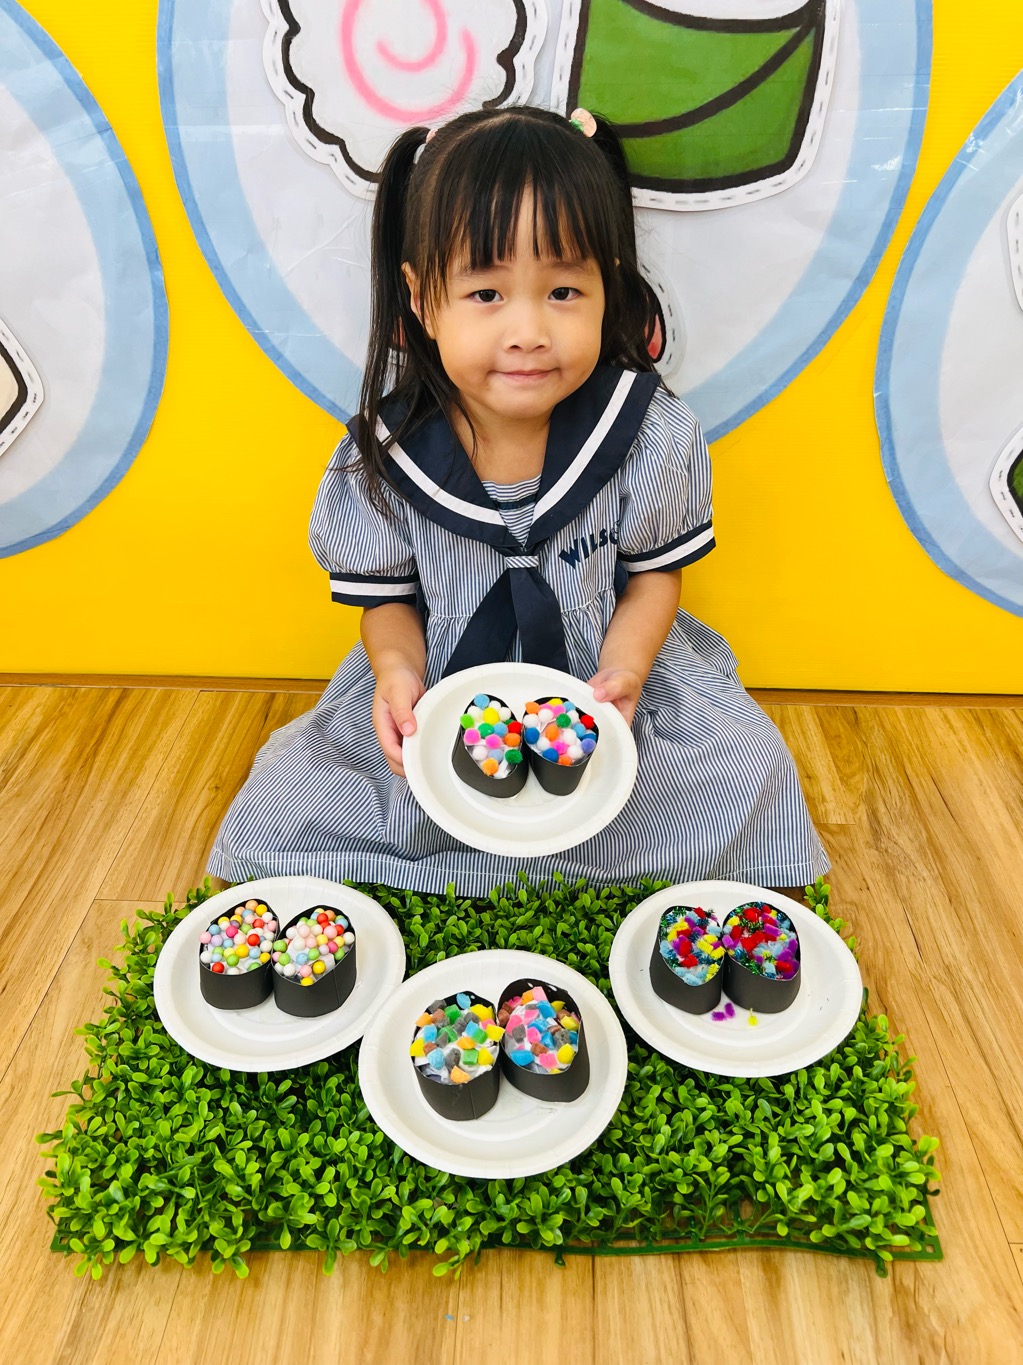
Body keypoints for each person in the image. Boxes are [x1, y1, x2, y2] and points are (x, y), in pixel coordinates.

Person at [208, 105, 828, 897]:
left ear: (608, 286)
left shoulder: (646, 433)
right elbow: (387, 600)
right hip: (442, 685)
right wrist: (396, 670)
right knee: (288, 797)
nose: (528, 330)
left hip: (600, 679)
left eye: (563, 289)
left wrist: (625, 671)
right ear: (421, 299)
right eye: (486, 292)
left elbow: (652, 577)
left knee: (745, 767)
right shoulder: (384, 456)